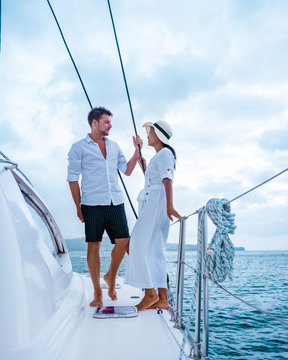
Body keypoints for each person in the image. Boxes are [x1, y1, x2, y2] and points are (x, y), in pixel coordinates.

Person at [67, 107, 142, 307]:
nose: (110, 125)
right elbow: (72, 179)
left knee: (124, 241)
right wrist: (78, 206)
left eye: (110, 121)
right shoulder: (78, 148)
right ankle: (98, 292)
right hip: (91, 203)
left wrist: (136, 152)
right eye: (106, 121)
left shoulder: (115, 146)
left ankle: (110, 276)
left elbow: (126, 170)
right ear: (94, 123)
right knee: (94, 245)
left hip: (115, 201)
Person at [125, 120, 181, 311]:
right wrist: (143, 162)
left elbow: (167, 180)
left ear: (159, 135)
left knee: (136, 245)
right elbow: (154, 178)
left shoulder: (164, 153)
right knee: (155, 250)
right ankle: (162, 298)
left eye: (150, 132)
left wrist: (170, 206)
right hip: (155, 202)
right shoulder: (160, 155)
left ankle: (150, 293)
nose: (148, 135)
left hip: (157, 203)